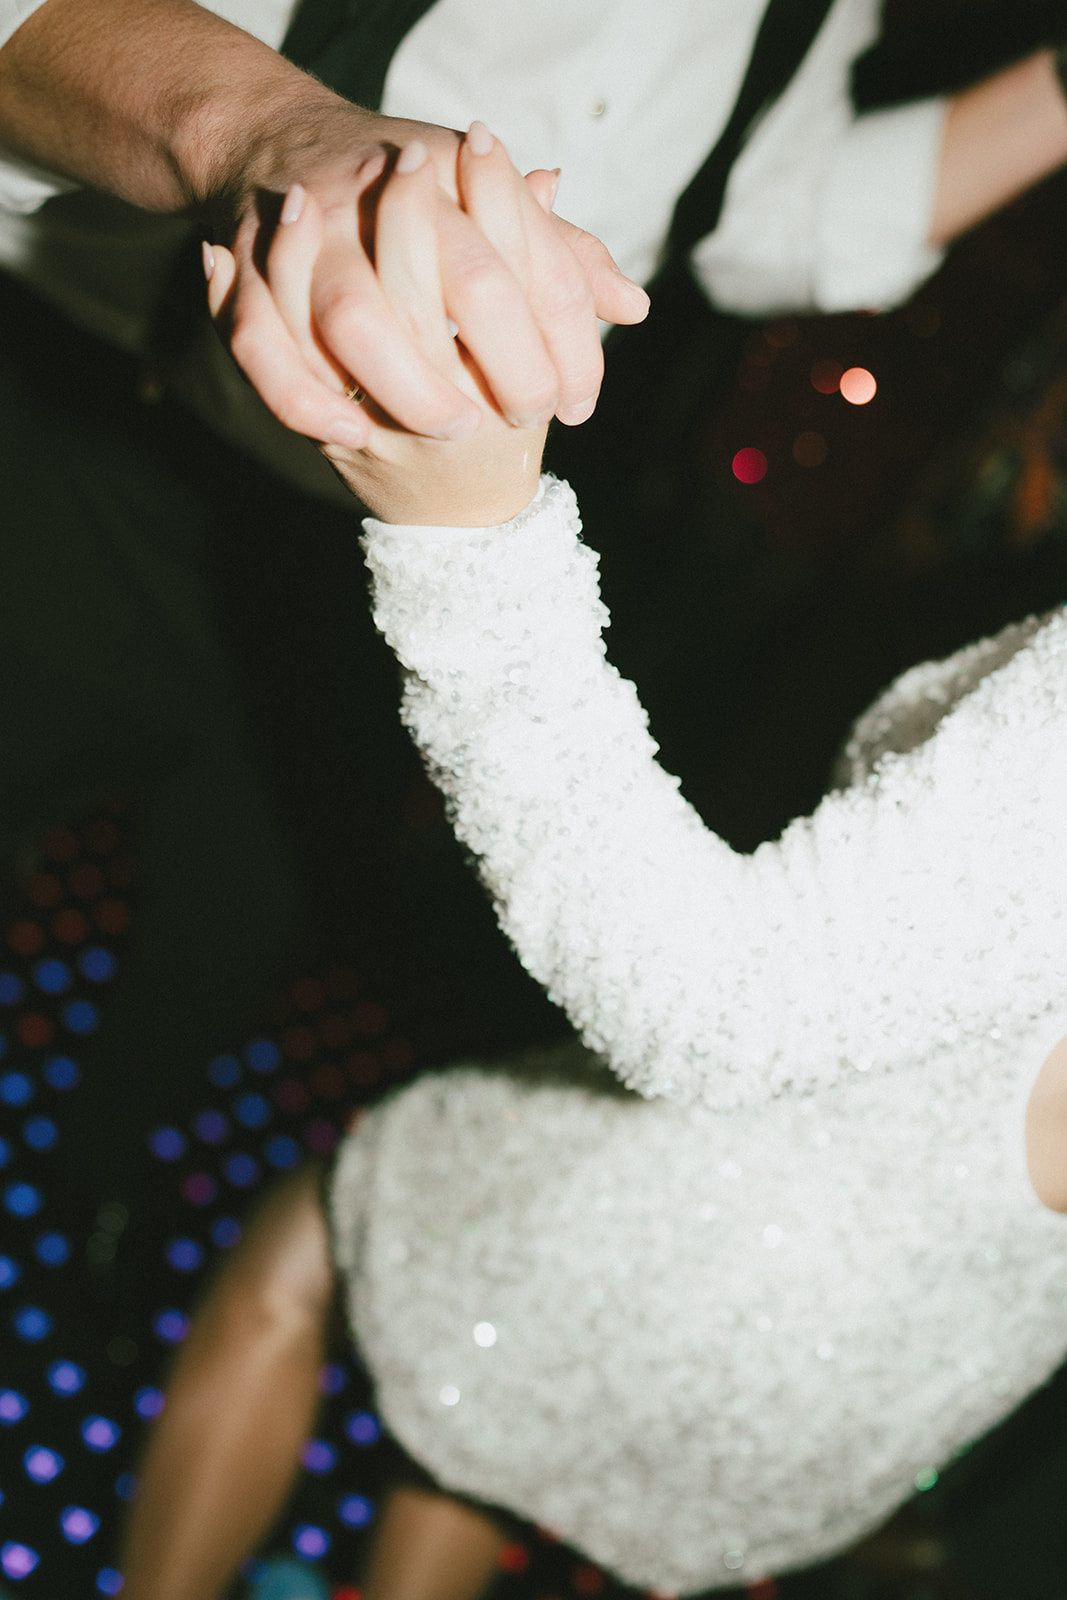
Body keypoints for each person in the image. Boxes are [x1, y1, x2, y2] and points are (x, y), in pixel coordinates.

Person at [115, 157, 1067, 1600]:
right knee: (472, 1446)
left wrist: (465, 534)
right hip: (903, 1360)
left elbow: (710, 1005)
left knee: (306, 1248)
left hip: (729, 1213)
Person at [2, 0, 1067, 1213]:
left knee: (238, 911)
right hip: (82, 414)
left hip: (368, 556)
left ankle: (88, 1216)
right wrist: (270, 130)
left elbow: (787, 213)